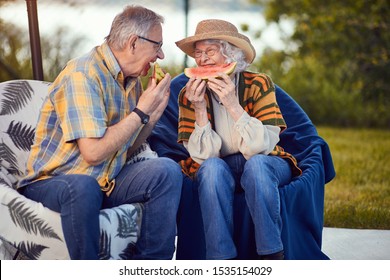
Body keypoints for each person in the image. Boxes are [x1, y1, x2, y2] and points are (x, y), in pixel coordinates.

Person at [18, 5, 183, 260]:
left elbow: (125, 146)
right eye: (157, 45)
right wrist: (140, 112)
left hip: (106, 180)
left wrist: (151, 118)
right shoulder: (83, 74)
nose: (160, 55)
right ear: (133, 43)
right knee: (84, 187)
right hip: (55, 182)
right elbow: (93, 152)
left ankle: (152, 266)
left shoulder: (132, 82)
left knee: (167, 171)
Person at [175, 19, 302, 260]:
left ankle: (271, 255)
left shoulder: (259, 84)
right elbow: (204, 157)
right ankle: (222, 261)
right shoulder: (188, 96)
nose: (202, 60)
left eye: (210, 51)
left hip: (266, 160)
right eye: (198, 54)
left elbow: (261, 147)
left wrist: (233, 105)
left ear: (230, 53)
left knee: (256, 166)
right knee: (211, 169)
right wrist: (200, 109)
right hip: (219, 164)